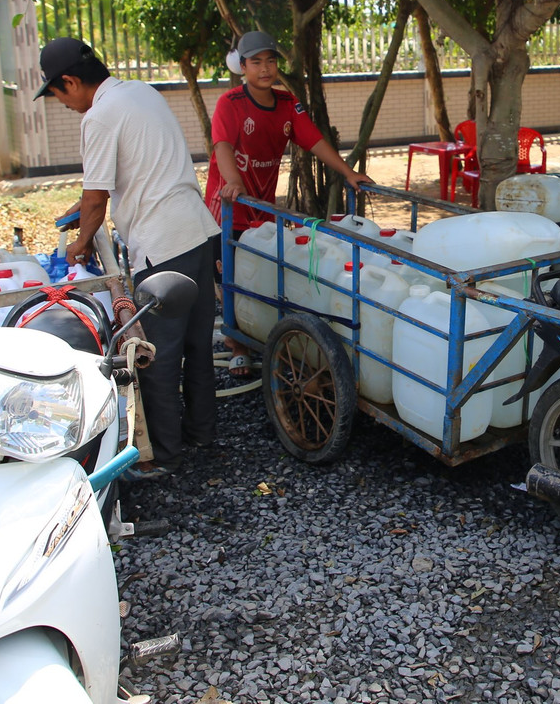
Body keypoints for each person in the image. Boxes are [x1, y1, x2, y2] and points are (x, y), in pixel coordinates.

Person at [37, 37, 220, 480]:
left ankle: (162, 455)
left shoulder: (98, 116)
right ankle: (202, 433)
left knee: (153, 353)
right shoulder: (140, 91)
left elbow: (96, 198)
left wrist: (79, 246)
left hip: (161, 246)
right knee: (198, 345)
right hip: (197, 231)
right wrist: (85, 218)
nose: (63, 104)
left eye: (59, 94)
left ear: (71, 81)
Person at [202, 30, 372, 376]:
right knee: (230, 274)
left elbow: (313, 140)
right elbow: (222, 145)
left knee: (259, 270)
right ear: (242, 67)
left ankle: (261, 329)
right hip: (230, 204)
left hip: (264, 206)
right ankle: (236, 344)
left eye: (270, 61)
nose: (265, 69)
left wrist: (347, 172)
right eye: (256, 62)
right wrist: (233, 180)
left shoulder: (286, 104)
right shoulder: (231, 103)